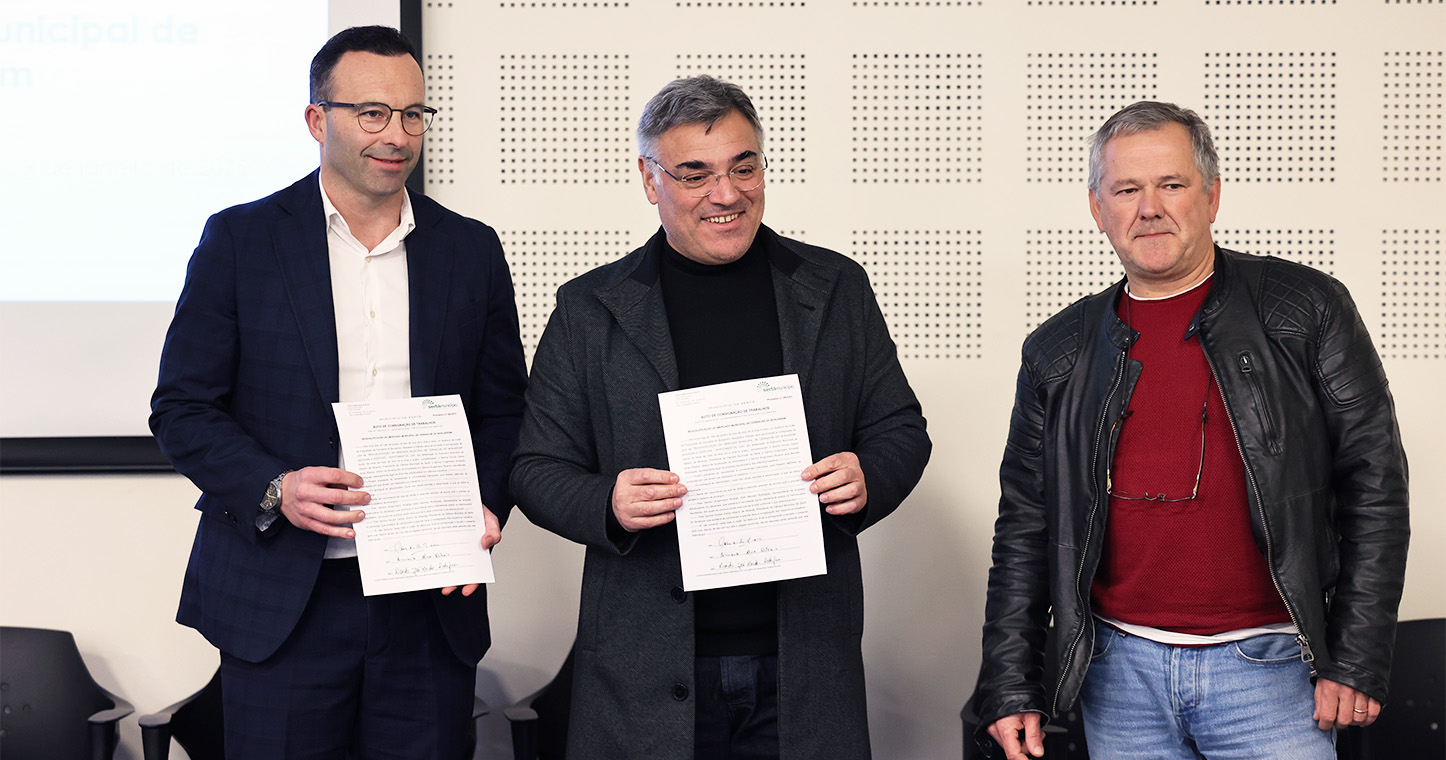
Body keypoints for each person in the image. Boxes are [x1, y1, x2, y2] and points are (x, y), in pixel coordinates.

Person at [509, 75, 931, 759]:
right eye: (695, 174)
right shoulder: (590, 309)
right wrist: (607, 502)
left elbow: (899, 430)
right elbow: (535, 468)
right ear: (650, 180)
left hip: (804, 664)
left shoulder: (835, 288)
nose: (727, 194)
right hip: (643, 666)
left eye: (743, 166)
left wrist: (867, 475)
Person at [976, 100, 1410, 760]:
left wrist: (1356, 657)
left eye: (1171, 184)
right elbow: (1026, 526)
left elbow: (1375, 486)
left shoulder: (1305, 310)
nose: (1149, 208)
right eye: (1127, 190)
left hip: (1275, 671)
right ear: (1098, 209)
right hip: (1118, 678)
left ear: (1211, 196)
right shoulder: (1057, 351)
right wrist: (1011, 683)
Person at [149, 25, 527, 759]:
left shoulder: (470, 249)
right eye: (373, 113)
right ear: (317, 120)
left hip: (427, 599)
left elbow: (505, 408)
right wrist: (275, 487)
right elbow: (182, 409)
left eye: (413, 114)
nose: (397, 135)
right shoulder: (242, 240)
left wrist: (483, 502)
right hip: (283, 600)